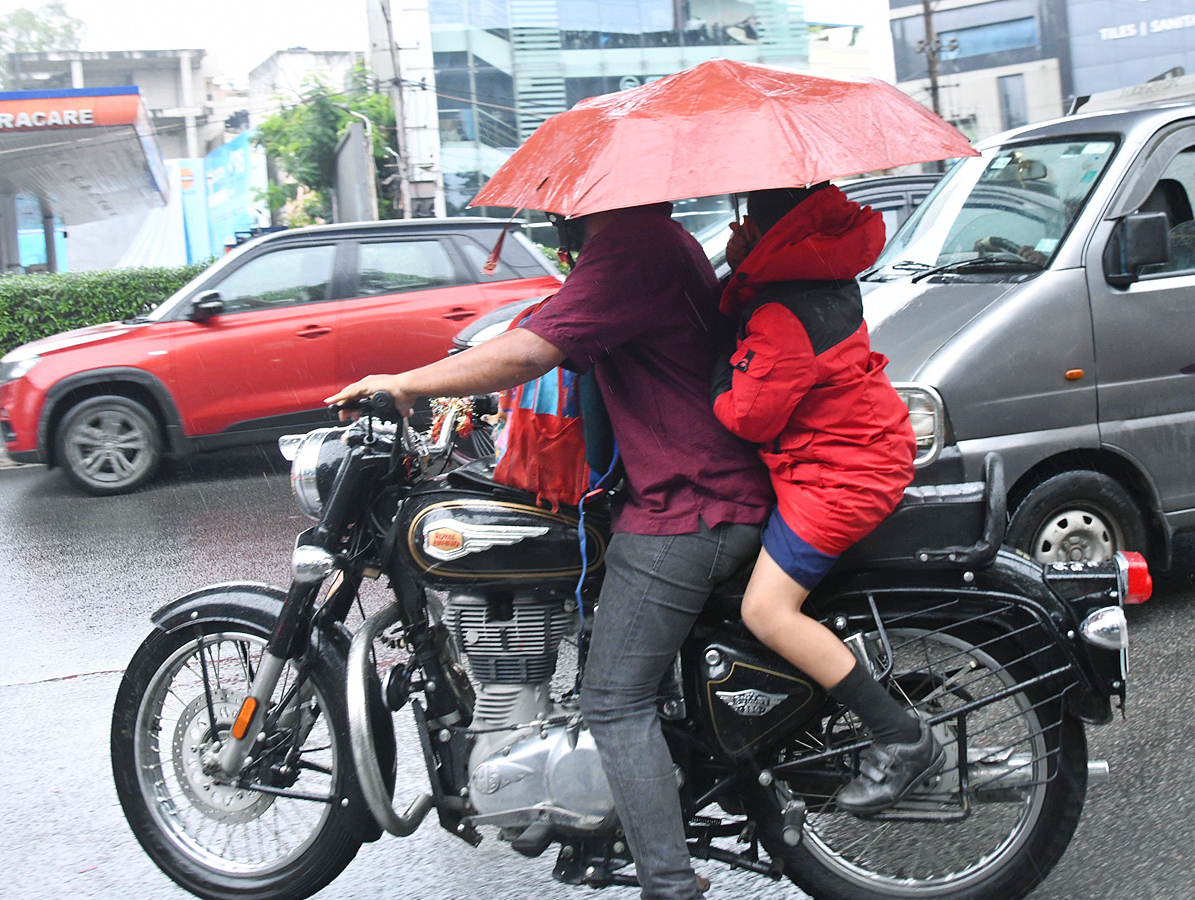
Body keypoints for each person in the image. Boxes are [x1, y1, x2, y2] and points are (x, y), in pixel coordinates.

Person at [326, 201, 772, 900]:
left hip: (691, 504)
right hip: (688, 489)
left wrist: (406, 382)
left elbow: (538, 348)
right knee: (615, 659)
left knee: (614, 701)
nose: (552, 219)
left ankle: (670, 885)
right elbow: (546, 324)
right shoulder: (654, 240)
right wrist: (472, 394)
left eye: (558, 209)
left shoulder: (632, 246)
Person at [712, 184, 945, 815]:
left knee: (766, 611)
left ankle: (901, 737)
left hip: (838, 477)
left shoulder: (783, 311)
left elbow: (748, 416)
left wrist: (718, 371)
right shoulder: (818, 271)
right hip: (854, 452)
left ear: (762, 228)